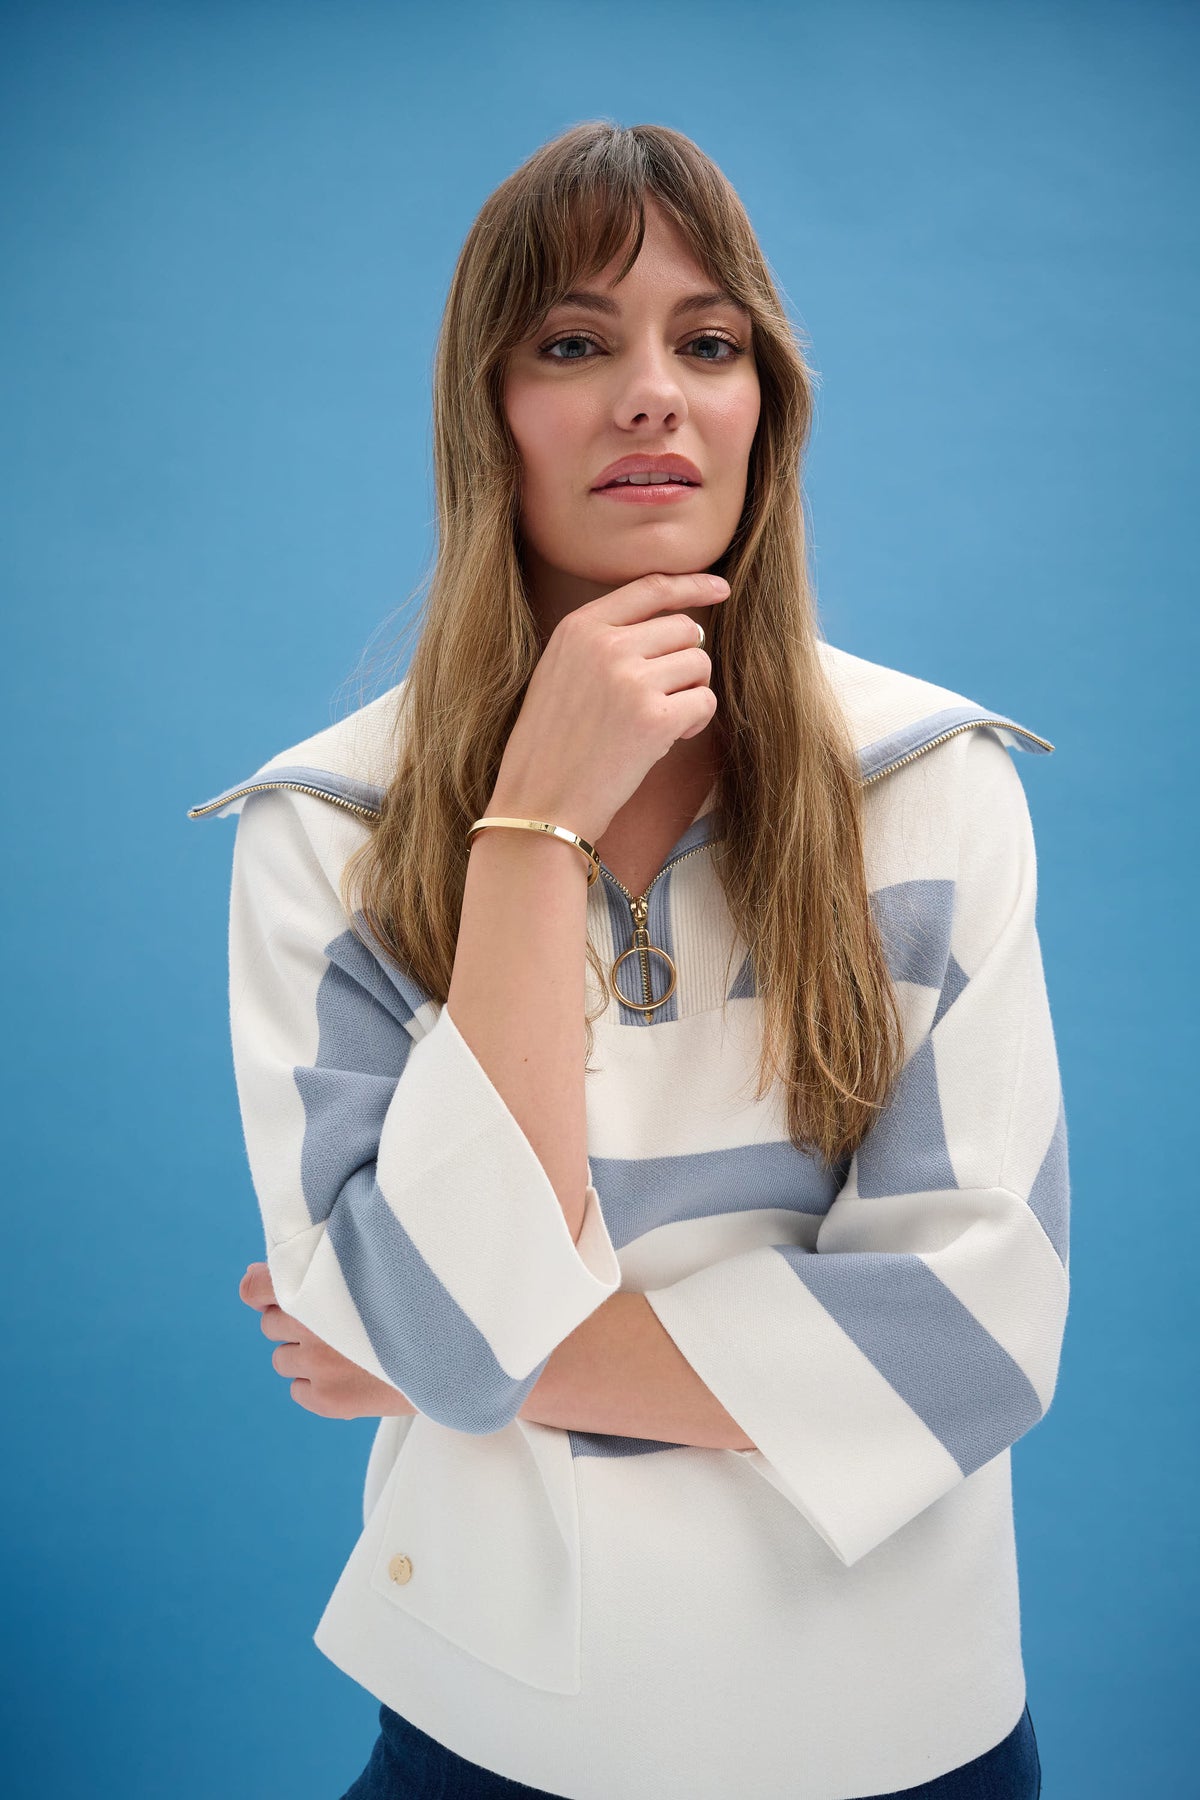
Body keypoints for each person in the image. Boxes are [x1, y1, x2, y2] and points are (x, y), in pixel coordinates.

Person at [190, 122, 1064, 1800]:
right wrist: (531, 827)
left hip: (905, 1738)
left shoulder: (932, 784)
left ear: (765, 410)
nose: (653, 394)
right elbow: (450, 1337)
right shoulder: (325, 825)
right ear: (489, 414)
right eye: (576, 344)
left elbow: (973, 1340)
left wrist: (446, 1348)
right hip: (491, 1737)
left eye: (709, 343)